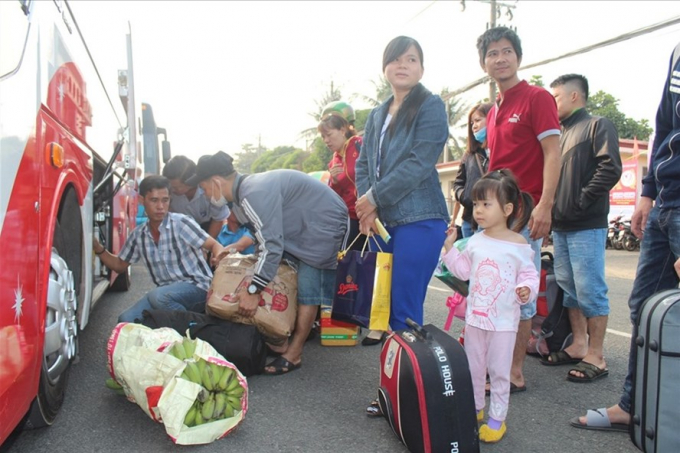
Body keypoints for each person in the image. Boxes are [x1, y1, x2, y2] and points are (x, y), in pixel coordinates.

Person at [571, 42, 680, 432]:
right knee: (645, 309)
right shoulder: (676, 51)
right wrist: (648, 193)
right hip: (666, 199)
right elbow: (665, 126)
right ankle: (635, 404)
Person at [186, 151, 348, 375]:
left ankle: (295, 352)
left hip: (322, 222)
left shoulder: (253, 193)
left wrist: (253, 289)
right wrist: (235, 251)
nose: (204, 194)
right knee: (281, 273)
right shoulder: (239, 198)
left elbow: (272, 245)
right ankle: (289, 333)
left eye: (203, 188)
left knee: (308, 286)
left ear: (216, 181)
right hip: (301, 226)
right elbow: (260, 237)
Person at [476, 26, 561, 393]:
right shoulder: (494, 111)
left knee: (518, 291)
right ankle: (495, 366)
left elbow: (553, 153)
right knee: (492, 289)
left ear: (519, 57)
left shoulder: (538, 97)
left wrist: (545, 204)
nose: (500, 58)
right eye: (492, 53)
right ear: (484, 63)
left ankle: (513, 372)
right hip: (497, 213)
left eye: (507, 51)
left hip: (525, 212)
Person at [355, 35, 449, 333]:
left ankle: (407, 378)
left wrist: (372, 198)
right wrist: (366, 207)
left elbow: (418, 163)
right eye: (396, 59)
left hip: (419, 219)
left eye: (411, 59)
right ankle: (395, 375)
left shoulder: (430, 105)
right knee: (384, 307)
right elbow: (364, 164)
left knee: (404, 310)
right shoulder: (376, 114)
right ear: (385, 68)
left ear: (421, 69)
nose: (403, 65)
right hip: (382, 222)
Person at [442, 169, 539, 442]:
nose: (479, 211)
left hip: (504, 324)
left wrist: (526, 290)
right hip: (475, 320)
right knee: (473, 368)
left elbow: (530, 275)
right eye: (476, 204)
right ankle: (475, 410)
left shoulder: (519, 244)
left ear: (507, 209)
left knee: (498, 372)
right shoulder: (475, 240)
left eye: (487, 204)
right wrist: (450, 247)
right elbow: (462, 272)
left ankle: (497, 419)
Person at [543, 74, 622, 384]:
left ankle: (597, 356)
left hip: (586, 224)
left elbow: (610, 167)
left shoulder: (597, 125)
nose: (553, 104)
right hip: (561, 225)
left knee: (590, 289)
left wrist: (581, 201)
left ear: (575, 97)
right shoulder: (557, 134)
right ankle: (579, 344)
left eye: (557, 98)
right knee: (569, 287)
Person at [93, 175, 224, 323]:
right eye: (154, 200)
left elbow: (214, 245)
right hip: (165, 295)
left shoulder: (181, 223)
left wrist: (218, 256)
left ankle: (196, 329)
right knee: (126, 320)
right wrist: (98, 248)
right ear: (142, 200)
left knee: (159, 296)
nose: (160, 206)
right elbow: (118, 266)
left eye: (165, 200)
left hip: (198, 289)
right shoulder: (138, 235)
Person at [318, 101, 379, 346]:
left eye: (328, 134)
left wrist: (340, 177)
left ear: (344, 129)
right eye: (323, 137)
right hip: (351, 219)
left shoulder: (358, 145)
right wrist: (335, 180)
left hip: (371, 215)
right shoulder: (334, 158)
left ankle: (376, 323)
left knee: (373, 267)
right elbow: (336, 192)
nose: (326, 140)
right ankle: (353, 316)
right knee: (353, 269)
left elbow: (364, 177)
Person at [162, 155, 229, 238]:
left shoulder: (209, 191)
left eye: (176, 187)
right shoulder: (169, 195)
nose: (172, 190)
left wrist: (207, 247)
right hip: (183, 230)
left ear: (189, 182)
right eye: (170, 186)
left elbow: (218, 219)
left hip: (210, 228)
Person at [453, 102, 493, 238]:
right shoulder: (469, 154)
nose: (474, 126)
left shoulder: (500, 150)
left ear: (492, 118)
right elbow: (458, 183)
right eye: (471, 123)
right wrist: (465, 196)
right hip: (469, 221)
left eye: (478, 120)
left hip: (493, 221)